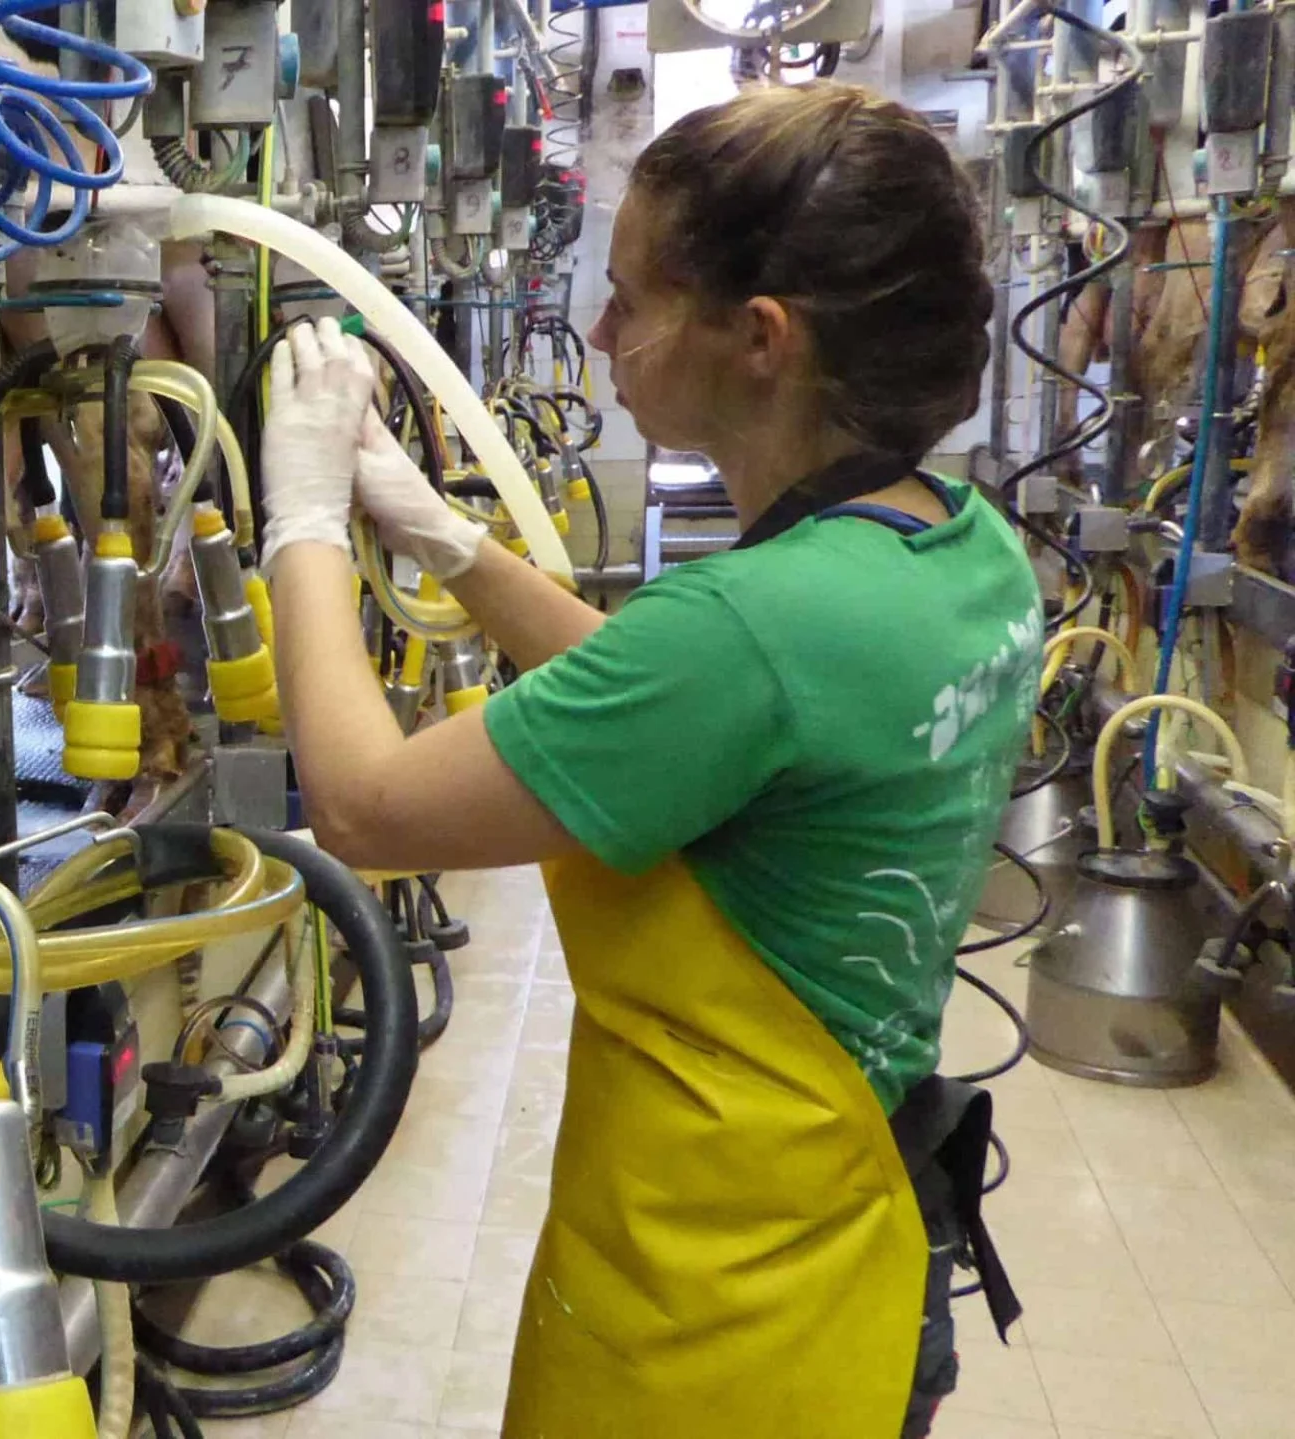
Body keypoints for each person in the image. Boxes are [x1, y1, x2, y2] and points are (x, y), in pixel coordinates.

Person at [258, 83, 1034, 1437]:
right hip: (852, 1256)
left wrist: (304, 521)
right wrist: (445, 538)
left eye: (630, 300)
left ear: (761, 339)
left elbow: (366, 807)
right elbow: (678, 705)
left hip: (707, 1333)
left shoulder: (746, 629)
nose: (602, 333)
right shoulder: (964, 551)